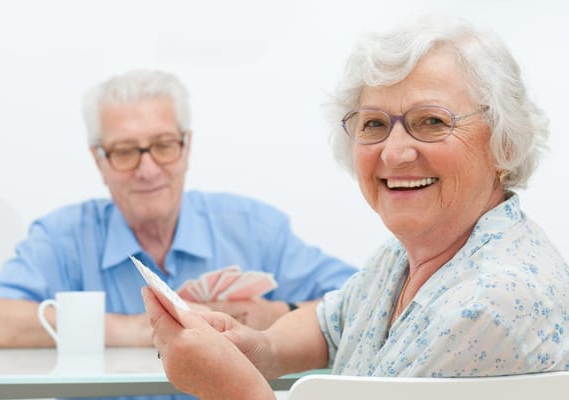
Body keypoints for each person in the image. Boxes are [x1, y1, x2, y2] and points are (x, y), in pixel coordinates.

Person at [140, 17, 569, 399]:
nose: (395, 152)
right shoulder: (412, 253)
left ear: (504, 142)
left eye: (432, 121)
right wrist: (259, 349)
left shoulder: (489, 302)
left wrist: (234, 389)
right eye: (375, 124)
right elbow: (332, 325)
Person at [0, 69, 357, 399]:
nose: (148, 169)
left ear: (187, 148)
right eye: (124, 151)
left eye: (164, 146)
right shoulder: (64, 237)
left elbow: (359, 302)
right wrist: (133, 328)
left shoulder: (253, 227)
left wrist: (274, 315)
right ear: (98, 160)